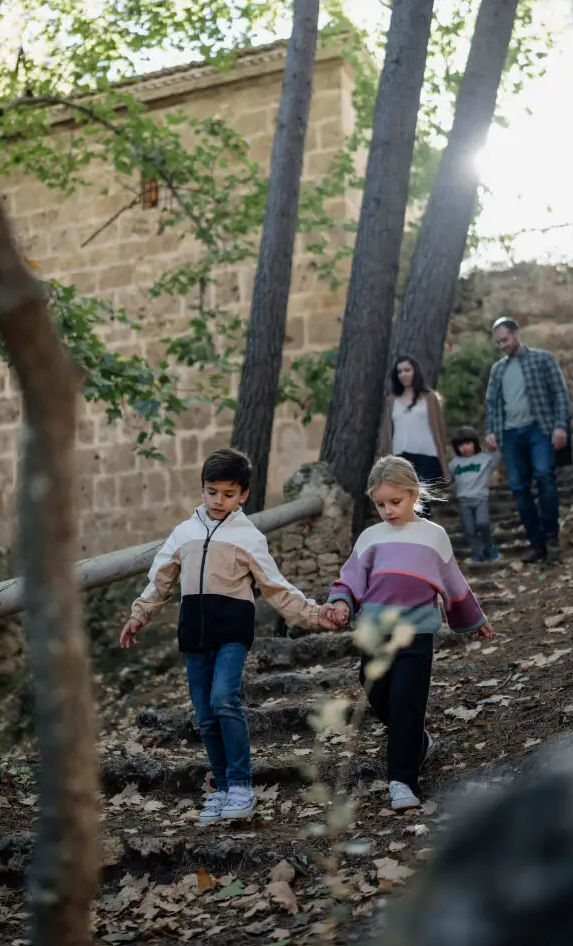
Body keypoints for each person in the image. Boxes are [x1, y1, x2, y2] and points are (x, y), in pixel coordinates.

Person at [119, 447, 337, 826]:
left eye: (228, 494)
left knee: (224, 699)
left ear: (243, 495)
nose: (218, 500)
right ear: (202, 489)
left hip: (232, 634)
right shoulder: (184, 533)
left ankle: (240, 785)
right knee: (205, 716)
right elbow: (160, 580)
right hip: (194, 635)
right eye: (212, 492)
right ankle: (221, 788)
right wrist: (139, 615)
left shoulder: (248, 537)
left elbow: (276, 587)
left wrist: (314, 614)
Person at [324, 456, 493, 811]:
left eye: (395, 501)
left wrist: (474, 618)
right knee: (376, 691)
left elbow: (453, 581)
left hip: (417, 633)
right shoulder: (370, 538)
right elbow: (350, 578)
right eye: (380, 504)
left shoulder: (434, 536)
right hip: (374, 632)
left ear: (414, 494)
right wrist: (341, 602)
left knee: (406, 702)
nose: (387, 510)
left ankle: (402, 782)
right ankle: (416, 739)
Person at [485, 317, 571, 564]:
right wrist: (490, 430)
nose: (502, 345)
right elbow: (492, 403)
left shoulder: (543, 359)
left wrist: (560, 426)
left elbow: (560, 394)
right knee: (518, 488)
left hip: (539, 429)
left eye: (505, 339)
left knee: (544, 476)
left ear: (517, 334)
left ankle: (551, 537)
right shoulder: (497, 370)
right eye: (498, 342)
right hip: (510, 434)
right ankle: (536, 543)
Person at [378, 354, 452, 516]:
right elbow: (387, 432)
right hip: (400, 456)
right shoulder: (391, 401)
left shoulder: (430, 398)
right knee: (404, 500)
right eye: (400, 372)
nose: (403, 374)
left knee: (421, 500)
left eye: (407, 370)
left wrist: (443, 458)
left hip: (427, 454)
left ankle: (422, 531)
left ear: (415, 371)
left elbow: (439, 429)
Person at [449, 426, 503, 566]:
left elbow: (497, 459)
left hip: (480, 499)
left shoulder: (484, 459)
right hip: (463, 501)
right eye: (461, 445)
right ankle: (477, 553)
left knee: (482, 523)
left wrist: (495, 448)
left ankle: (489, 546)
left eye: (468, 443)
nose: (465, 447)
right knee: (469, 529)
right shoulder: (454, 463)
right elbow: (448, 479)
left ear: (475, 443)